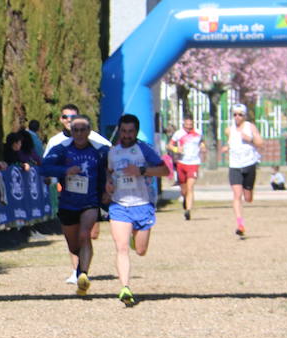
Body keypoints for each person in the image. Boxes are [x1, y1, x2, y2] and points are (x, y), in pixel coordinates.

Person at [40, 113, 106, 296]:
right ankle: (80, 268)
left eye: (83, 130)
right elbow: (44, 168)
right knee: (74, 246)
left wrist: (107, 191)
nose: (79, 134)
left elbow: (111, 165)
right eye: (75, 130)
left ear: (89, 130)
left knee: (85, 235)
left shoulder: (98, 151)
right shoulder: (62, 149)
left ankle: (82, 274)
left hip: (90, 202)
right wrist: (64, 170)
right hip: (68, 203)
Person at [106, 114, 168, 306]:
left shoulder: (144, 150)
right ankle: (125, 288)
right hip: (119, 206)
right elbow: (108, 173)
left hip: (142, 204)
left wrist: (141, 171)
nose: (126, 135)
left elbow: (165, 171)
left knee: (140, 250)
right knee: (121, 248)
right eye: (123, 131)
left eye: (130, 131)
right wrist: (107, 184)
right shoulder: (112, 152)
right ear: (119, 131)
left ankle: (136, 239)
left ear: (136, 132)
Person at [221, 103, 261, 237]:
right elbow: (231, 142)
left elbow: (260, 143)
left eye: (240, 114)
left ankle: (249, 190)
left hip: (249, 163)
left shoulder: (250, 127)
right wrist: (226, 147)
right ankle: (240, 224)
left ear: (245, 116)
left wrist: (250, 138)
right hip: (235, 165)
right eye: (235, 114)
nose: (237, 117)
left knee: (248, 197)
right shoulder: (229, 130)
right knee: (237, 195)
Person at [167, 114, 205, 220]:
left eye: (191, 124)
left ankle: (188, 211)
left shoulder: (198, 133)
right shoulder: (178, 134)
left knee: (190, 187)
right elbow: (169, 145)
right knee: (184, 190)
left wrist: (203, 147)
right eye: (187, 124)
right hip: (181, 162)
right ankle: (185, 199)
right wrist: (176, 149)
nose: (189, 127)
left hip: (193, 163)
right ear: (183, 123)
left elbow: (202, 142)